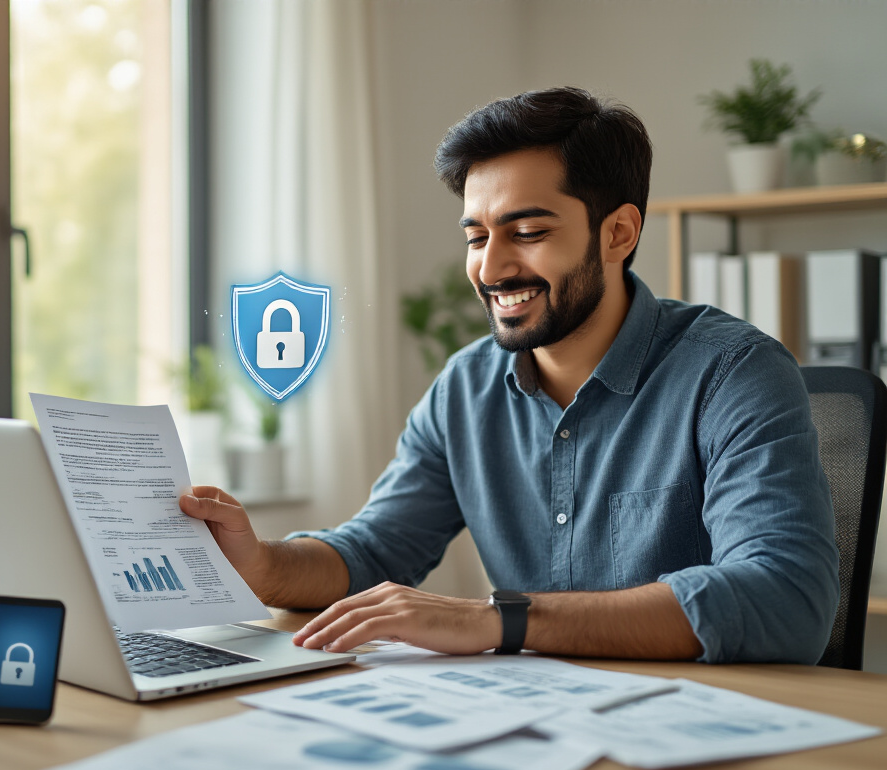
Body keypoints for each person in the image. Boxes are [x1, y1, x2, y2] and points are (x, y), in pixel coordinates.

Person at [179, 87, 838, 664]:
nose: (491, 269)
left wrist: (499, 621)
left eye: (526, 231)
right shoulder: (465, 389)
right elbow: (371, 552)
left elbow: (785, 599)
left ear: (618, 233)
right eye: (476, 236)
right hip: (536, 726)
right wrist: (258, 564)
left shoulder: (733, 371)